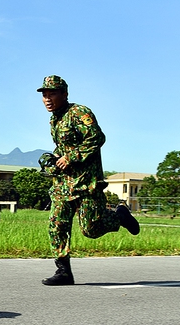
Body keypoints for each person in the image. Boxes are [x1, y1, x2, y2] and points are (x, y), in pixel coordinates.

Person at [37, 75, 139, 286]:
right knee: (57, 225)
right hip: (63, 184)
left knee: (90, 229)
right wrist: (54, 158)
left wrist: (71, 157)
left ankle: (119, 216)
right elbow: (64, 147)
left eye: (52, 94)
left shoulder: (79, 113)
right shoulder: (55, 119)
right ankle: (63, 271)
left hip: (86, 183)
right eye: (44, 95)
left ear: (64, 94)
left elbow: (96, 138)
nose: (47, 98)